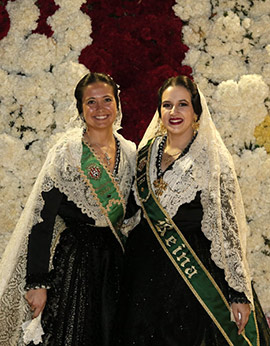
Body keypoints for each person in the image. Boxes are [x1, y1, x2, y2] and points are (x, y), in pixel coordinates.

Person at [114, 75, 270, 345]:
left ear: (196, 112)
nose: (173, 112)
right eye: (167, 105)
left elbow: (227, 227)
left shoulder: (213, 158)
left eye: (182, 104)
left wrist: (237, 293)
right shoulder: (146, 152)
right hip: (144, 276)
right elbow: (132, 211)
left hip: (193, 275)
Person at [0, 72, 137, 346]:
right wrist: (36, 283)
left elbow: (133, 214)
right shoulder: (67, 153)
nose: (100, 109)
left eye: (107, 100)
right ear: (80, 109)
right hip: (74, 263)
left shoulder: (131, 152)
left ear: (118, 105)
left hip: (116, 264)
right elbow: (42, 218)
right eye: (91, 102)